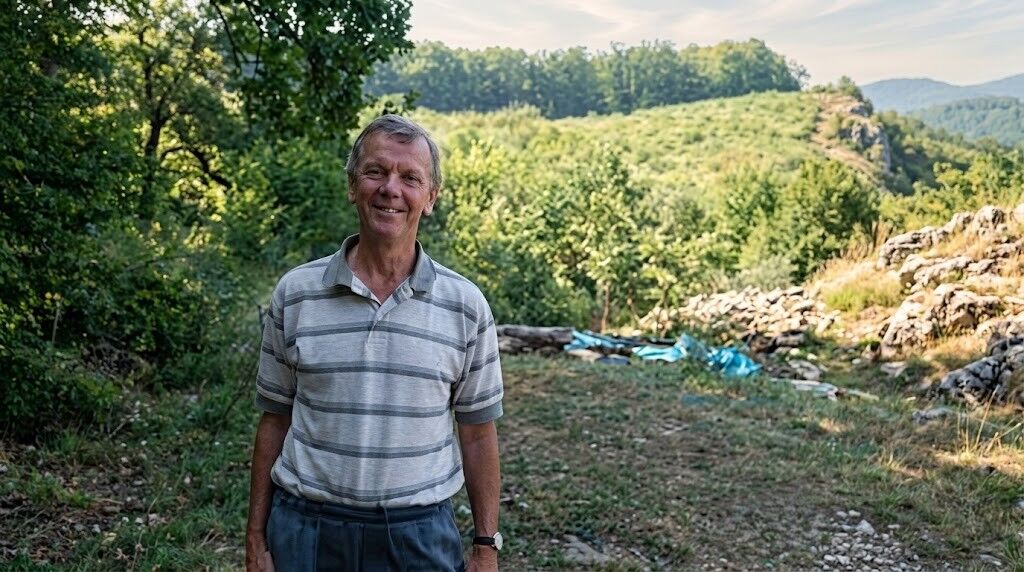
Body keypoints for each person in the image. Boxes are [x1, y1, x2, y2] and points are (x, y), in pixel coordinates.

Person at [245, 114, 504, 572]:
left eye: (410, 178)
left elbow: (479, 434)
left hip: (418, 534)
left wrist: (485, 547)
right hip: (306, 530)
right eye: (375, 171)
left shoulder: (465, 305)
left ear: (430, 199)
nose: (391, 189)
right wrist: (255, 538)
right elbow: (274, 419)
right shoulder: (296, 293)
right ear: (352, 185)